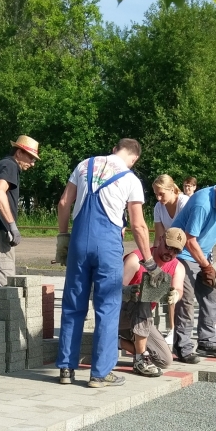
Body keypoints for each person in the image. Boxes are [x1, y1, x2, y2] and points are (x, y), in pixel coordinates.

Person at [55, 138, 157, 388]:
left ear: (114, 150)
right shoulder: (131, 179)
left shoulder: (84, 165)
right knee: (107, 309)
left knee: (73, 305)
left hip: (79, 243)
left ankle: (66, 369)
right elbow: (138, 225)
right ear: (134, 159)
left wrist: (63, 237)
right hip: (108, 247)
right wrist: (149, 261)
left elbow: (64, 203)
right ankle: (99, 374)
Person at [171, 179, 216, 362]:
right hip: (182, 253)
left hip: (202, 253)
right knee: (186, 300)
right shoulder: (202, 204)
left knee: (212, 295)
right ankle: (182, 347)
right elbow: (189, 240)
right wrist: (206, 266)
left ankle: (207, 342)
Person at [0, 136, 39, 301]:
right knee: (6, 292)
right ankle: (6, 321)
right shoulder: (11, 165)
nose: (32, 163)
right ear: (19, 153)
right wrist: (12, 226)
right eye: (31, 158)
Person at [119, 227, 186, 377]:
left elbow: (179, 289)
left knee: (165, 360)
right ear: (160, 239)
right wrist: (127, 291)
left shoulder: (178, 267)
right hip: (119, 315)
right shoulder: (136, 259)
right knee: (145, 295)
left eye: (176, 251)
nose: (170, 253)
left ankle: (117, 343)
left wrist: (175, 295)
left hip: (142, 320)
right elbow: (114, 289)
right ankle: (140, 360)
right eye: (168, 247)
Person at [151, 174, 188, 339]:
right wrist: (154, 260)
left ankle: (179, 329)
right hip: (168, 250)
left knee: (177, 286)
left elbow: (188, 233)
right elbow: (159, 237)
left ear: (172, 190)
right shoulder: (158, 207)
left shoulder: (184, 202)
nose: (158, 198)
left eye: (161, 194)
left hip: (185, 249)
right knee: (160, 282)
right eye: (156, 194)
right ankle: (169, 328)